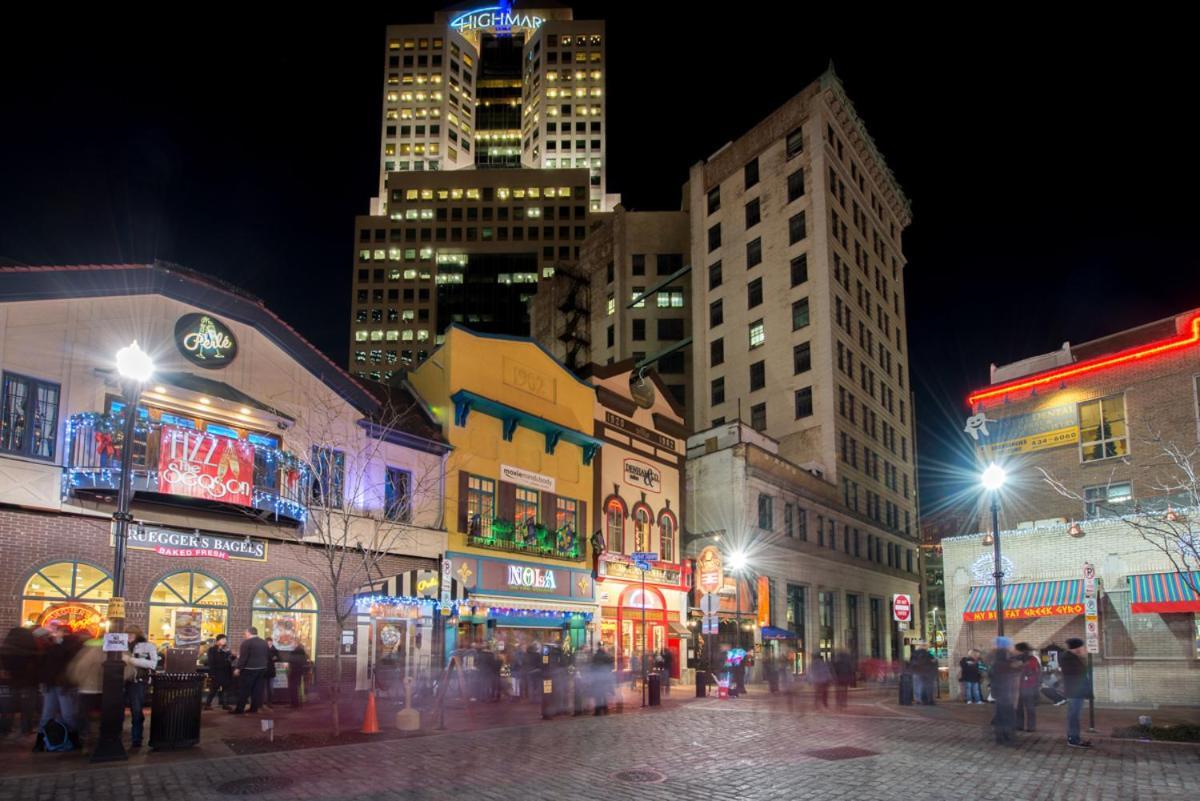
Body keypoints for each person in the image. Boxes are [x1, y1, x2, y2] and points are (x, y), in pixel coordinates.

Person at [0, 626, 40, 738]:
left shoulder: (5, 649)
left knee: (7, 710)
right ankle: (26, 730)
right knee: (27, 710)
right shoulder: (33, 650)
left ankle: (4, 731)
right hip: (28, 684)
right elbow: (38, 668)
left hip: (7, 683)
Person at [67, 633, 105, 746]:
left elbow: (77, 670)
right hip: (103, 689)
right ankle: (99, 737)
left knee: (84, 715)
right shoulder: (108, 653)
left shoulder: (86, 652)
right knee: (100, 715)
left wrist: (77, 680)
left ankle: (85, 737)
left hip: (86, 689)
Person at [123, 628, 158, 748]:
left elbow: (153, 664)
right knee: (116, 710)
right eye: (127, 634)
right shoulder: (121, 645)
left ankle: (136, 738)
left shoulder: (147, 646)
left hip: (137, 682)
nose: (129, 636)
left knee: (136, 710)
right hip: (120, 682)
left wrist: (130, 660)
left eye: (131, 634)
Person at [986, 636, 1020, 745]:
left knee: (1001, 715)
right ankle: (1007, 738)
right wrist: (1016, 666)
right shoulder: (1003, 657)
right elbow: (1007, 670)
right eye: (1010, 645)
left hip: (1000, 691)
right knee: (1007, 716)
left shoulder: (996, 658)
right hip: (1004, 692)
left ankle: (1001, 738)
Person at [1060, 637, 1093, 748]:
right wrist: (1082, 656)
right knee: (1074, 716)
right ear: (1077, 648)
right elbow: (1080, 674)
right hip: (1075, 692)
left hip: (1075, 691)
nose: (1084, 649)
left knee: (1073, 715)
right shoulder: (1070, 659)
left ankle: (1073, 737)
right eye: (1082, 647)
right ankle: (1073, 739)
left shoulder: (1071, 657)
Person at [230, 627, 270, 715]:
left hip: (249, 669)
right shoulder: (263, 642)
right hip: (262, 668)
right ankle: (254, 708)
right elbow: (267, 655)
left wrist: (238, 668)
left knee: (244, 690)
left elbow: (243, 658)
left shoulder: (247, 643)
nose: (244, 635)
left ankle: (240, 709)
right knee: (257, 689)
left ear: (249, 633)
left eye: (245, 633)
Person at [1014, 642, 1041, 733]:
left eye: (1016, 649)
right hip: (1024, 686)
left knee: (1024, 707)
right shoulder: (1031, 659)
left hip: (1025, 686)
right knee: (1024, 707)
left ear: (1020, 650)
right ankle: (1026, 726)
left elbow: (1035, 672)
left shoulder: (1030, 659)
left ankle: (1023, 725)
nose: (1014, 651)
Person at [203, 634, 234, 710]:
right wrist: (212, 674)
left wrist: (233, 657)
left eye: (225, 639)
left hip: (226, 672)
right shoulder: (212, 650)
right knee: (213, 690)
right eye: (223, 639)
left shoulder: (227, 649)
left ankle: (225, 704)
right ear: (218, 641)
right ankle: (207, 705)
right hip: (217, 673)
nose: (225, 641)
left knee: (225, 689)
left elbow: (229, 660)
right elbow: (211, 662)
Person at [590, 645, 613, 715]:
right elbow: (611, 665)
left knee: (597, 695)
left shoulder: (595, 656)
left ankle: (597, 711)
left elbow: (592, 667)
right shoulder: (606, 656)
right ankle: (605, 709)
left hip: (597, 678)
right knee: (603, 694)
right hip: (604, 677)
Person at [287, 644, 309, 709]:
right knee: (298, 688)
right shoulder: (304, 655)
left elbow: (289, 661)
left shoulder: (293, 654)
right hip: (300, 673)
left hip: (293, 672)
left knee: (292, 688)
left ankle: (294, 704)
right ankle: (299, 703)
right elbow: (306, 664)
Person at [263, 637, 279, 711]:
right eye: (268, 643)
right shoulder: (263, 650)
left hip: (271, 671)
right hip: (264, 671)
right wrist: (272, 657)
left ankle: (270, 702)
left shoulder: (274, 650)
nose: (270, 644)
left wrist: (274, 658)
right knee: (265, 688)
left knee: (270, 688)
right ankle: (265, 702)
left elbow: (278, 658)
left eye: (271, 643)